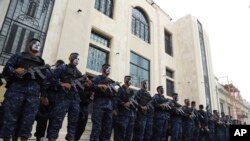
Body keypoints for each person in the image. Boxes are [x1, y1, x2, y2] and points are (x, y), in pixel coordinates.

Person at [0, 38, 48, 141]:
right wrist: (15, 70)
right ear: (29, 45)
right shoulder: (19, 56)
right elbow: (6, 70)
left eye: (39, 44)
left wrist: (44, 95)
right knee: (9, 119)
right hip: (16, 90)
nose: (37, 45)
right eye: (34, 43)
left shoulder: (41, 62)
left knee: (28, 121)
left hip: (33, 94)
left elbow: (44, 80)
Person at [47, 53, 83, 141]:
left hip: (74, 99)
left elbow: (81, 87)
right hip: (62, 97)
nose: (76, 60)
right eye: (75, 58)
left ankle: (70, 137)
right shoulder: (63, 68)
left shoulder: (78, 73)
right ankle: (52, 138)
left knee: (73, 124)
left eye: (78, 59)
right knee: (57, 121)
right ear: (70, 58)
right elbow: (52, 79)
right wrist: (62, 84)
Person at [34, 59, 65, 141]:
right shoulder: (50, 72)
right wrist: (43, 96)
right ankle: (38, 138)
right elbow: (44, 83)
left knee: (54, 123)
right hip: (47, 99)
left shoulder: (64, 77)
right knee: (42, 121)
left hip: (57, 101)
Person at [89, 64, 117, 141]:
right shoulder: (98, 78)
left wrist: (114, 108)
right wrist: (99, 86)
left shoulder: (111, 81)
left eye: (110, 69)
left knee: (107, 128)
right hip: (99, 103)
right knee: (97, 127)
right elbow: (90, 85)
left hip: (109, 105)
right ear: (103, 69)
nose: (109, 70)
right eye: (107, 68)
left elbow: (115, 96)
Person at [115, 75, 135, 141]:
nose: (131, 81)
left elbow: (134, 102)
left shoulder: (131, 91)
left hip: (131, 115)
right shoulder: (120, 89)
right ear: (126, 80)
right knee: (120, 135)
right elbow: (116, 99)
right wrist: (123, 103)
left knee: (129, 135)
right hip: (122, 115)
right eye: (129, 79)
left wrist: (133, 104)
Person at [75, 76, 93, 141]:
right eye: (87, 82)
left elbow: (88, 100)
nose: (88, 83)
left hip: (85, 110)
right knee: (74, 127)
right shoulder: (80, 88)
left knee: (82, 128)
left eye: (90, 83)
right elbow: (82, 97)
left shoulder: (90, 91)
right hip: (77, 108)